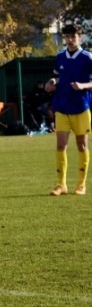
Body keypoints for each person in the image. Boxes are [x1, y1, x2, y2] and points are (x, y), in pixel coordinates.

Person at [48, 23, 92, 196]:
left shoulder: (87, 57)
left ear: (79, 37)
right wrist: (52, 82)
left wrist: (83, 85)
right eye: (66, 37)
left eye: (73, 37)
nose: (70, 40)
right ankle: (61, 184)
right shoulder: (60, 56)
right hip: (62, 107)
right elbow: (56, 76)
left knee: (82, 145)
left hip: (81, 108)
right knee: (61, 145)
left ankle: (81, 185)